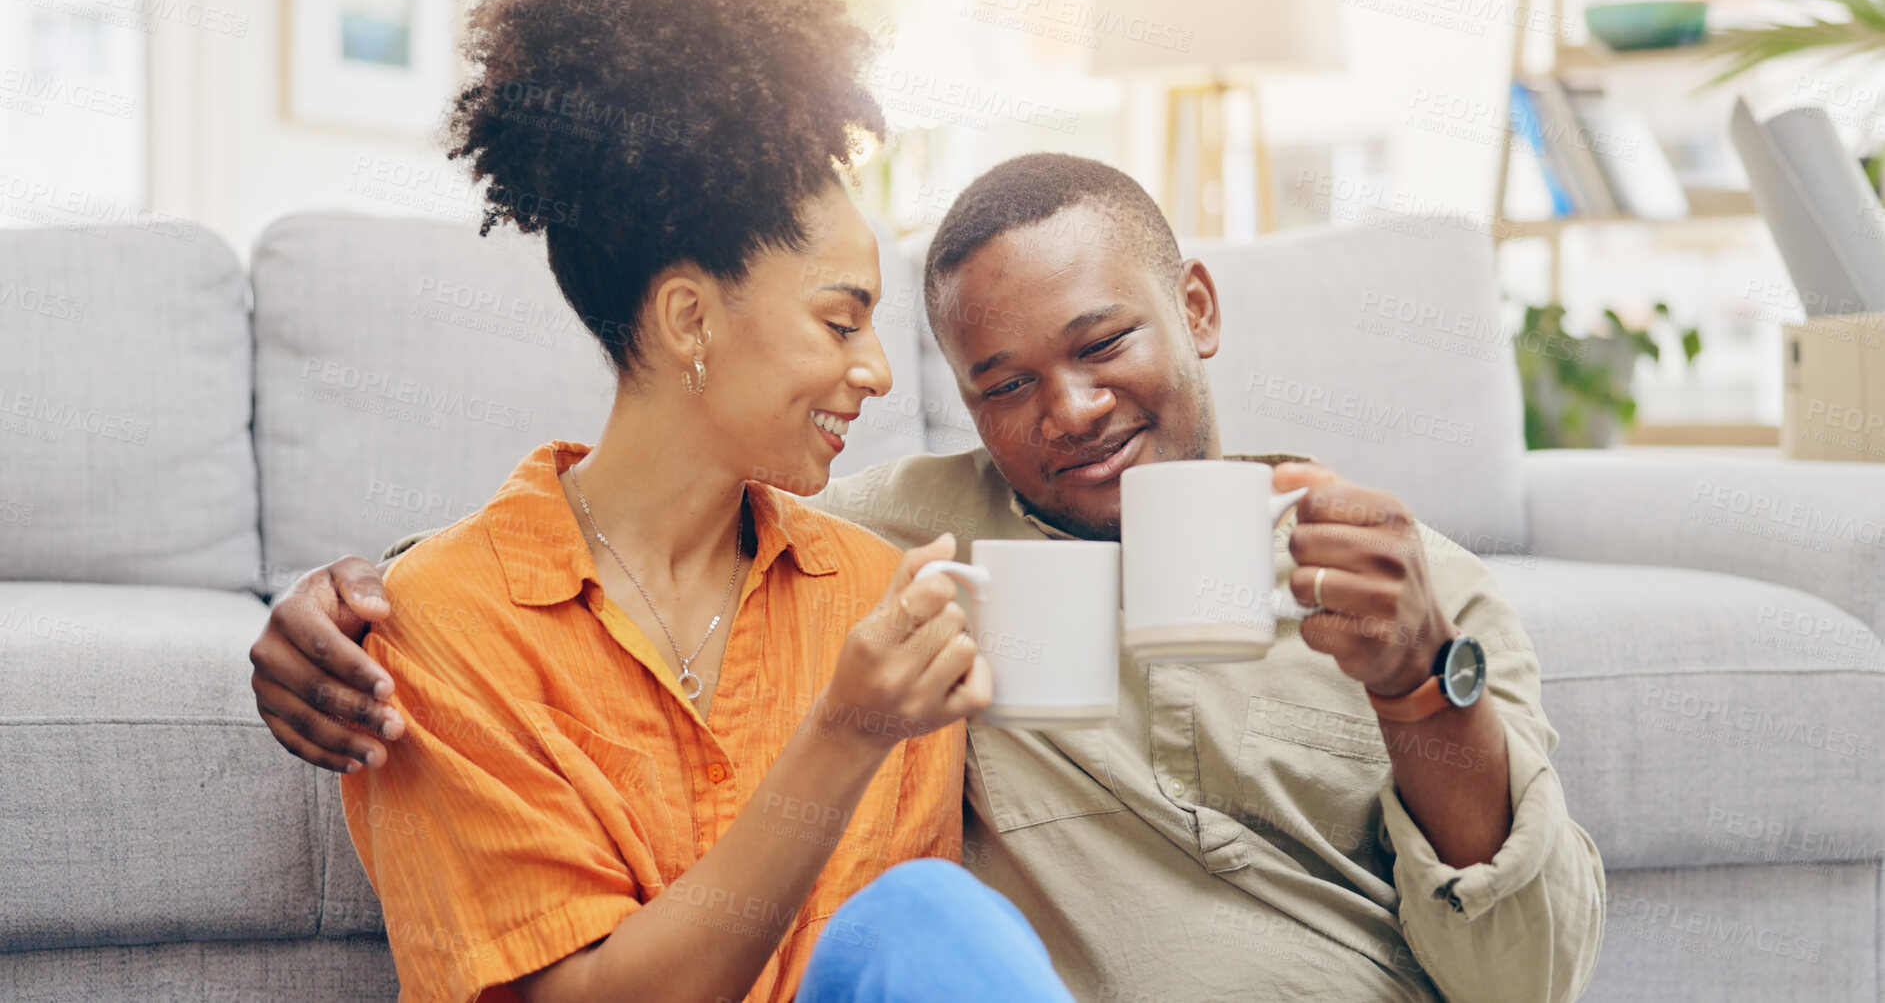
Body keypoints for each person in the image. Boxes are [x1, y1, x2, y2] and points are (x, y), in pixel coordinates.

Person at [258, 152, 1604, 1002]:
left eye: (1103, 344)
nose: (1066, 411)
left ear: (1194, 307)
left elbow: (1533, 979)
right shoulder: (908, 550)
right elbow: (623, 534)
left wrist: (1424, 690)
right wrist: (354, 604)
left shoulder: (1409, 587)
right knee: (924, 911)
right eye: (1001, 386)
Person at [315, 0, 1082, 1001]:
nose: (877, 370)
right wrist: (843, 733)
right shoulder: (446, 629)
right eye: (838, 318)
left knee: (926, 915)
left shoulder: (870, 599)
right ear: (691, 320)